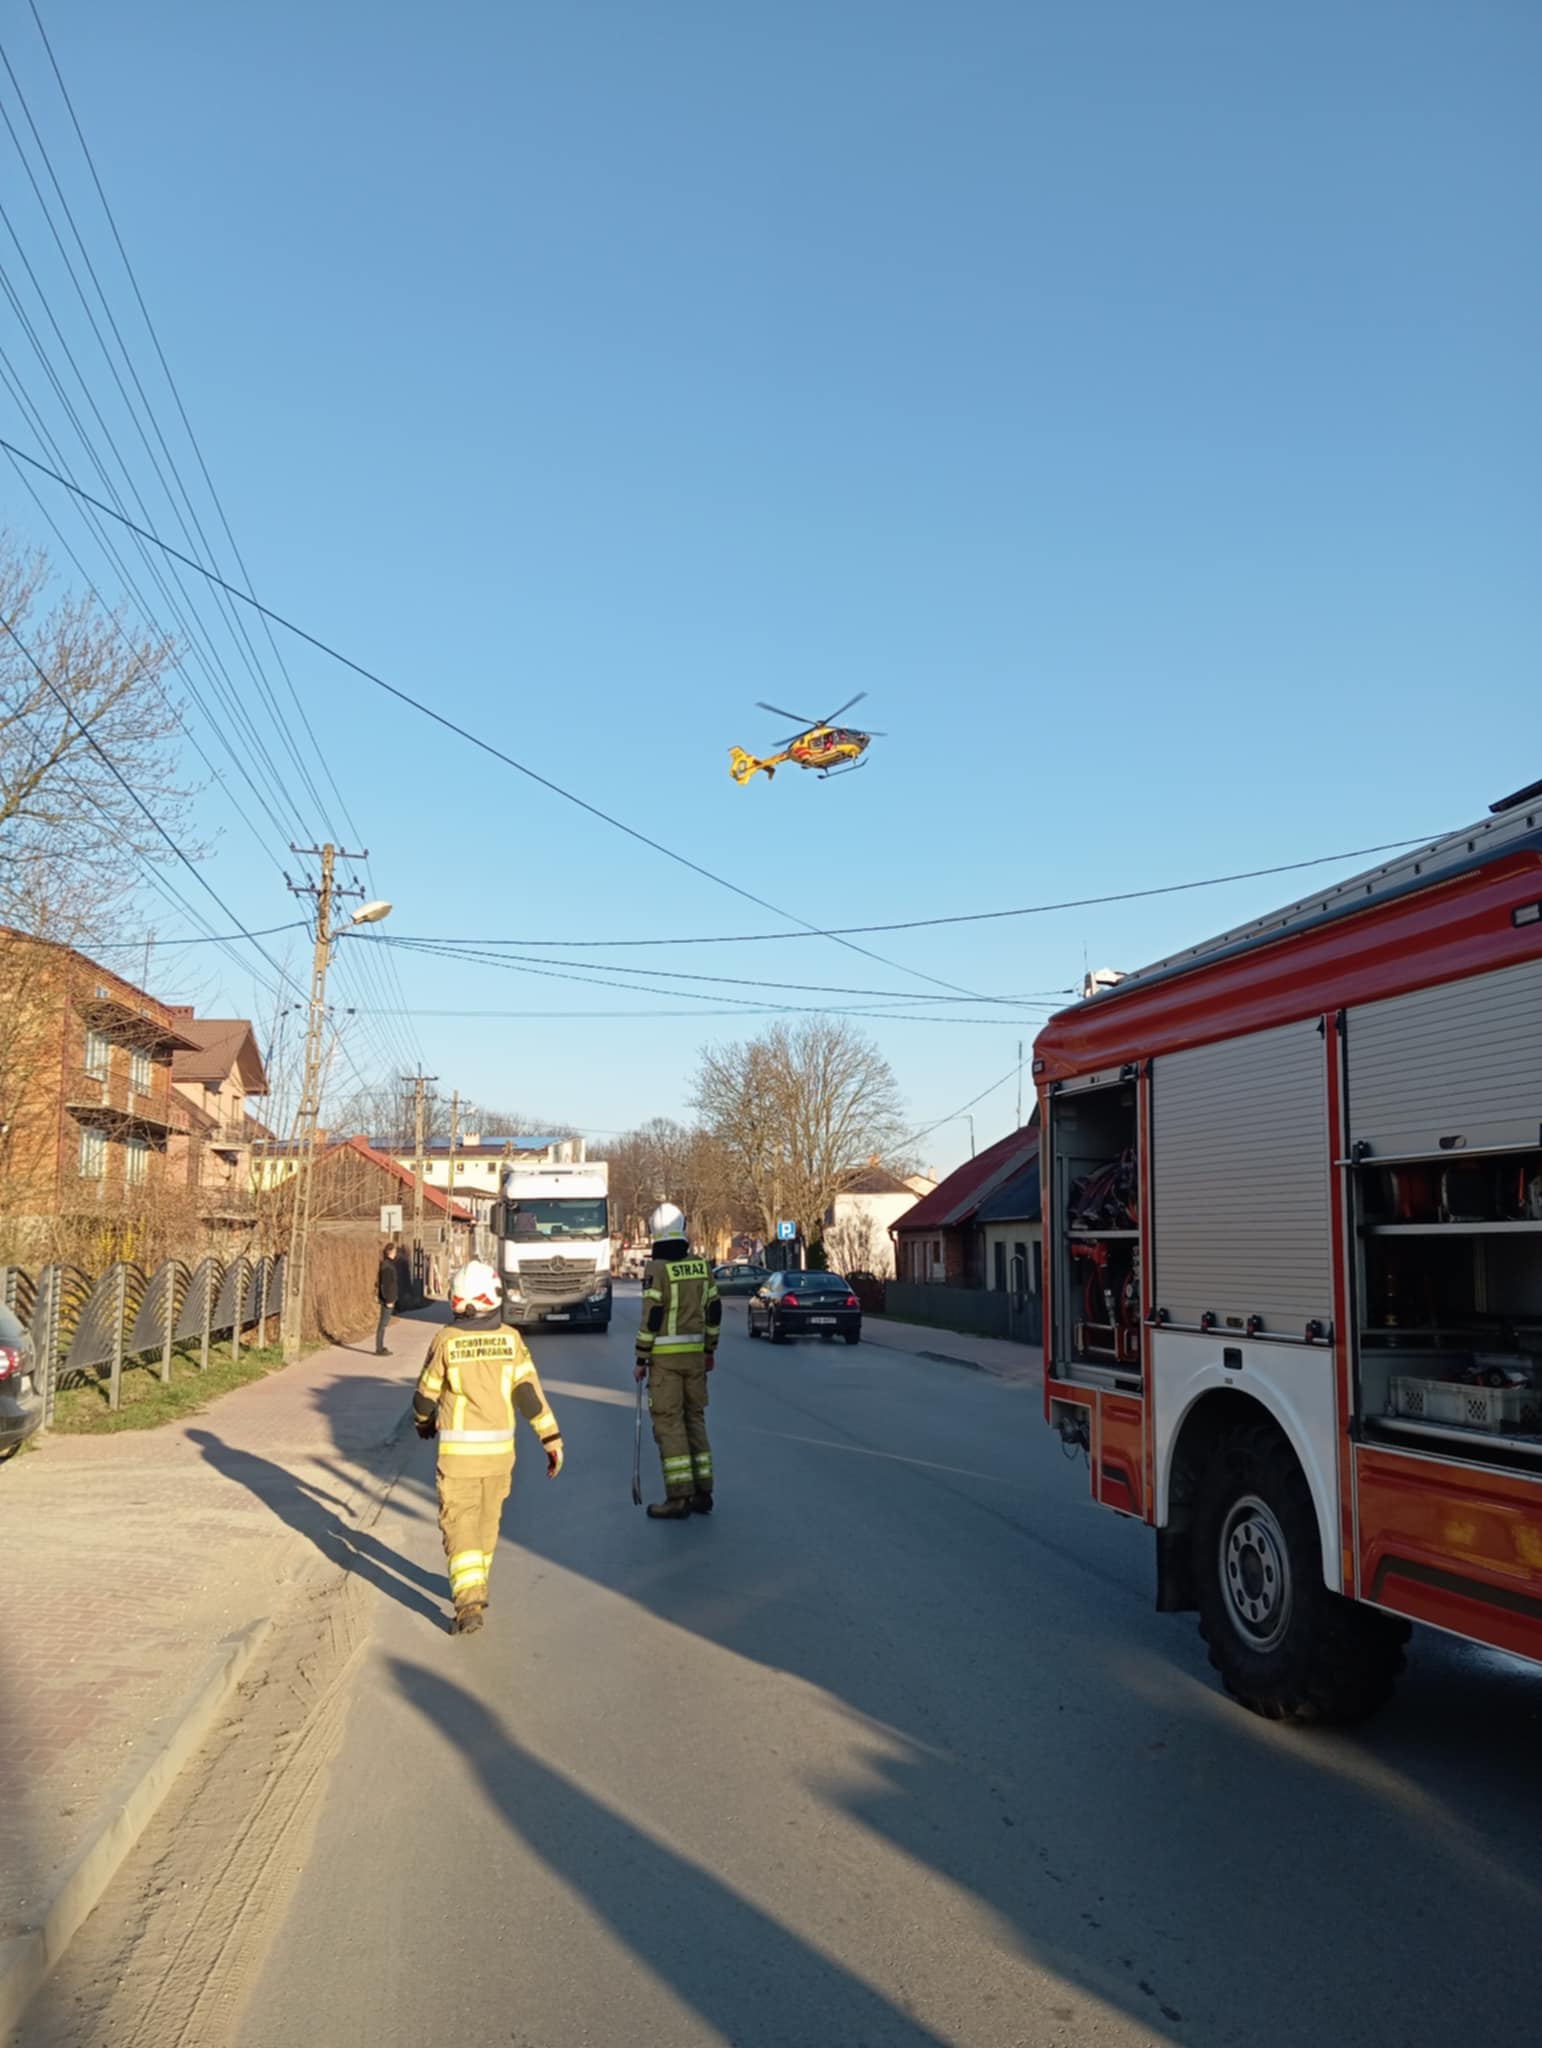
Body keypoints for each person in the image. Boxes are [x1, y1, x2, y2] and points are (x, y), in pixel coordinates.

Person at [412, 1260, 564, 1635]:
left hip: (458, 1460)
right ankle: (476, 1586)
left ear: (456, 1300)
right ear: (493, 1297)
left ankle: (468, 1602)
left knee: (459, 1524)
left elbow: (425, 1397)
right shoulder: (511, 1340)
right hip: (499, 1458)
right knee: (486, 1524)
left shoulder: (446, 1341)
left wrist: (423, 1423)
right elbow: (529, 1397)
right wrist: (551, 1439)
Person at [634, 1201, 720, 1520]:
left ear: (654, 1233)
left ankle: (679, 1497)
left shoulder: (656, 1270)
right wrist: (709, 1349)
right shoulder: (701, 1267)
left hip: (665, 1363)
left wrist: (641, 1358)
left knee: (669, 1425)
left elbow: (652, 1317)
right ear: (682, 1229)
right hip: (696, 1359)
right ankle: (703, 1492)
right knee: (695, 1420)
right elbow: (714, 1311)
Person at [375, 1239, 399, 1355]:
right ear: (391, 1252)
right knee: (383, 1324)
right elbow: (385, 1284)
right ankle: (379, 1348)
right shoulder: (387, 1265)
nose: (396, 1253)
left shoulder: (389, 1264)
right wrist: (388, 1299)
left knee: (384, 1324)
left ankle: (380, 1347)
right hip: (387, 1299)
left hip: (390, 1298)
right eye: (395, 1251)